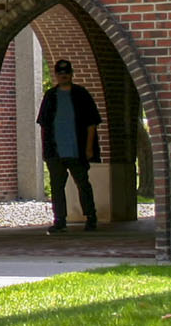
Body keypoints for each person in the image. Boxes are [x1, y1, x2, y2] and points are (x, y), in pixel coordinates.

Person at [36, 59, 104, 232]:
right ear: (56, 75)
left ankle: (90, 217)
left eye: (66, 73)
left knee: (83, 184)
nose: (63, 76)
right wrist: (47, 151)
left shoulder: (81, 94)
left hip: (77, 151)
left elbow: (91, 124)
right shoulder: (50, 96)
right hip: (55, 152)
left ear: (71, 74)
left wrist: (89, 148)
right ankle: (59, 220)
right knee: (57, 187)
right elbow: (44, 125)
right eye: (60, 73)